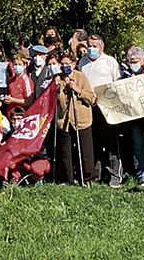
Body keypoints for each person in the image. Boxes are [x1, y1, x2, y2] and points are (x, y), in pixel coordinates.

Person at [78, 34, 123, 188]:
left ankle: (115, 175)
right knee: (94, 142)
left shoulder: (110, 61)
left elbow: (118, 83)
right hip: (88, 107)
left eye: (95, 46)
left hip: (107, 108)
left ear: (101, 47)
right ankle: (96, 174)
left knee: (111, 142)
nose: (91, 49)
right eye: (89, 45)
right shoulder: (82, 62)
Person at [55, 50, 95, 185]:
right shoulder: (57, 79)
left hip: (81, 118)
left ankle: (87, 178)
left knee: (85, 150)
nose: (64, 66)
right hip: (64, 120)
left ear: (73, 63)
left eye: (67, 63)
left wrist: (77, 90)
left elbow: (91, 98)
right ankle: (68, 179)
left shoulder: (81, 77)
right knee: (65, 152)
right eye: (62, 64)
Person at [120, 46, 144, 186]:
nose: (133, 64)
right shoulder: (125, 75)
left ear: (143, 60)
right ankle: (141, 174)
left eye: (136, 61)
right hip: (135, 118)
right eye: (130, 61)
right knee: (137, 145)